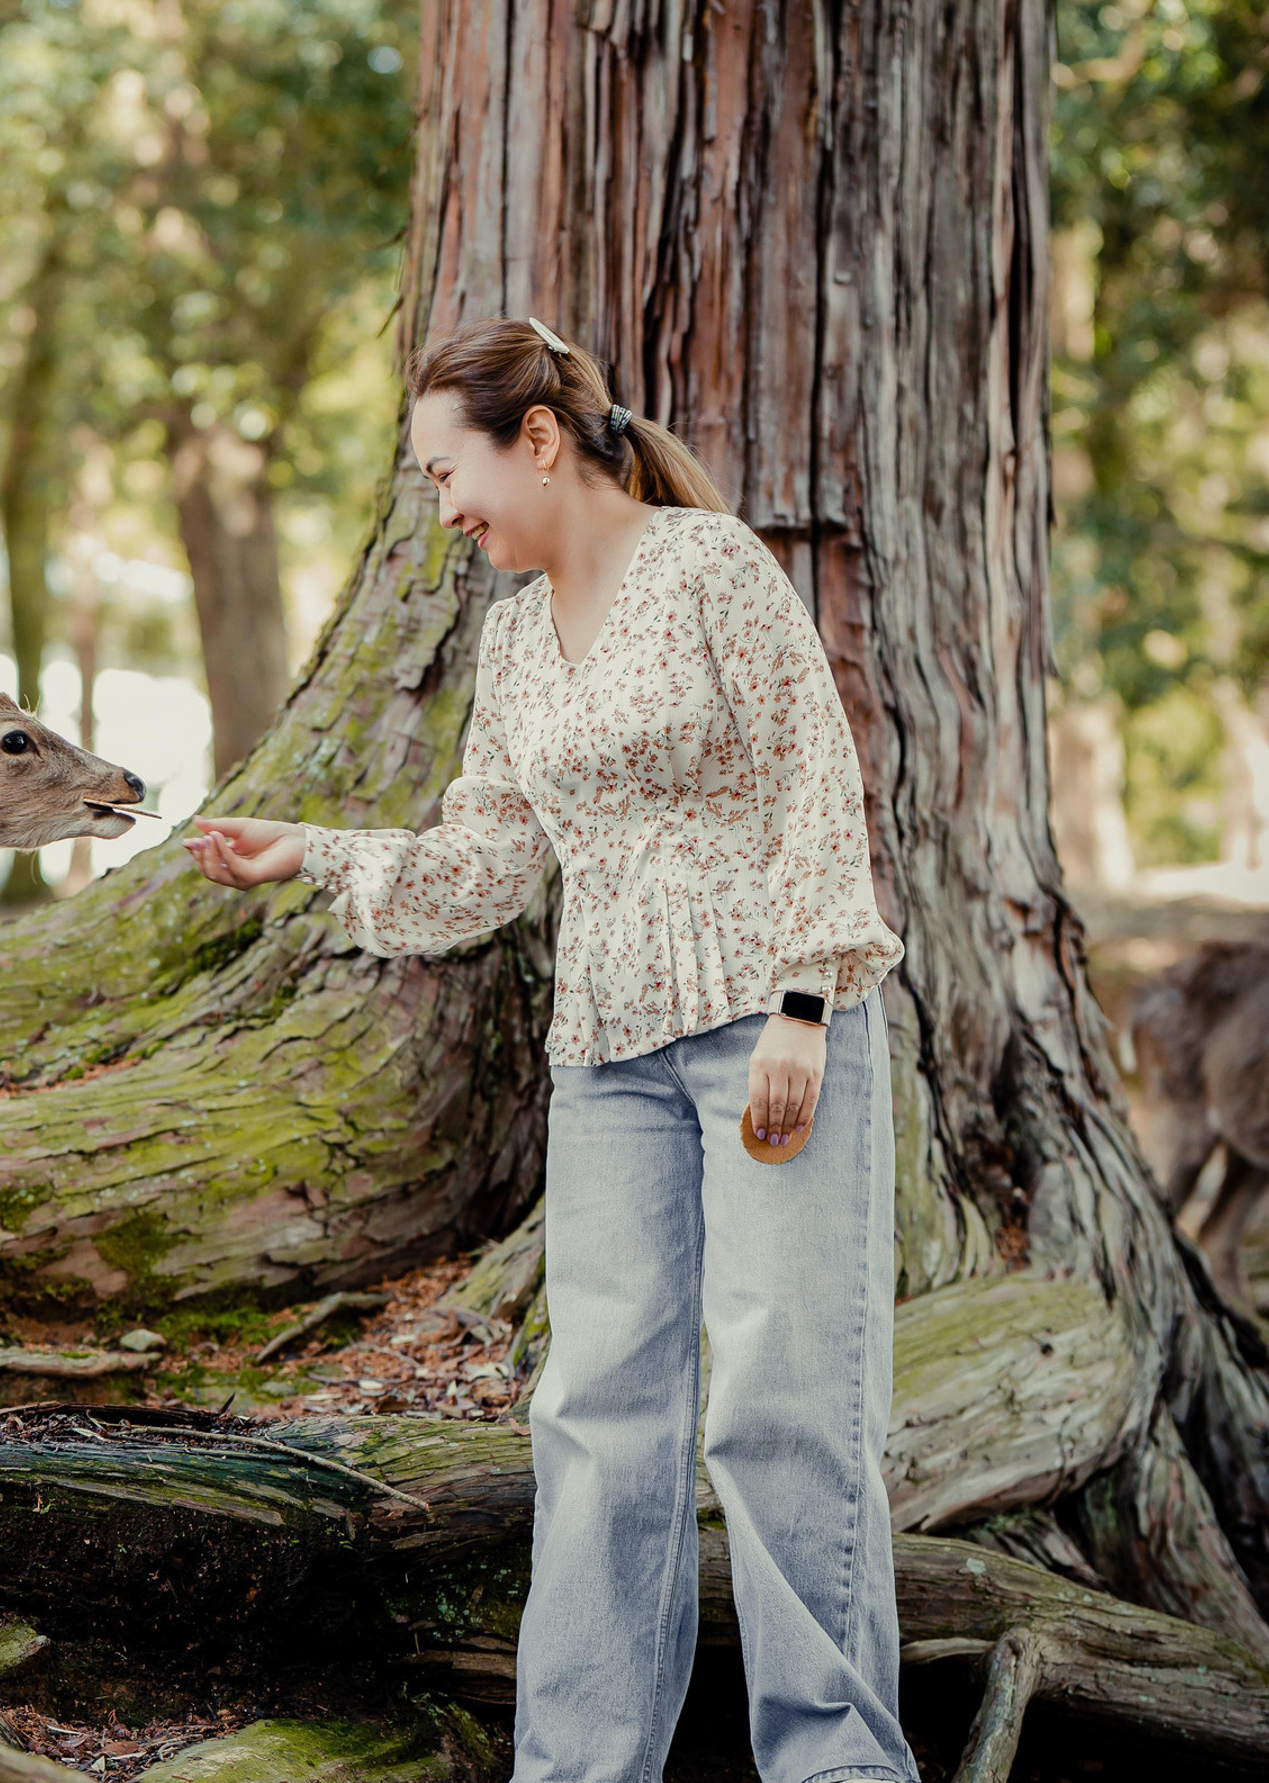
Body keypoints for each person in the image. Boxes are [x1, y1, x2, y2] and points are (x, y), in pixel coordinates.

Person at [182, 316, 915, 1783]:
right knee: (597, 1422)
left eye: (447, 471)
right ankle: (578, 1767)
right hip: (608, 1067)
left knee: (785, 1410)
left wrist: (804, 1001)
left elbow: (813, 779)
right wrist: (311, 853)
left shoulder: (712, 570)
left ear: (533, 438)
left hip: (773, 1035)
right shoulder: (513, 639)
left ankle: (838, 1766)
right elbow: (489, 863)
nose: (440, 508)